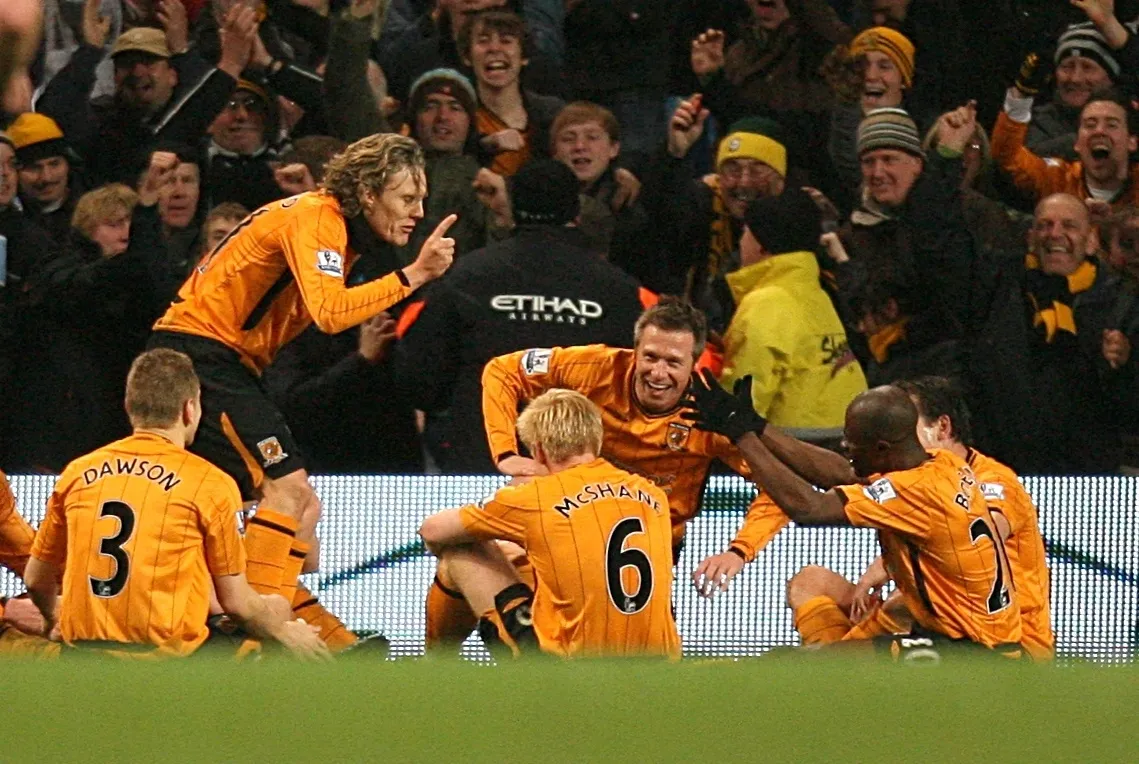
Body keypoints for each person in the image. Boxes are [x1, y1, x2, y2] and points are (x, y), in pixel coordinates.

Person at [148, 133, 456, 649]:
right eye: (407, 199)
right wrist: (416, 274)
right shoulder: (319, 218)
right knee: (288, 493)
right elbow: (330, 313)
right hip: (205, 358)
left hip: (224, 362)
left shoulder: (328, 224)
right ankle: (264, 636)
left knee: (290, 512)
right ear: (368, 192)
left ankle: (331, 643)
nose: (417, 213)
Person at [23, 348, 330, 660]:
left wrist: (54, 618)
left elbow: (35, 579)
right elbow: (238, 603)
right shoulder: (208, 482)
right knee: (271, 614)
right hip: (166, 665)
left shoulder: (77, 474)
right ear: (190, 408)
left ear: (130, 407)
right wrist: (285, 630)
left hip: (82, 661)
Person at [682, 375, 1024, 654]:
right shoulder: (942, 464)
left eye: (852, 442)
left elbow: (809, 508)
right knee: (809, 652)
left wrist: (740, 435)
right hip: (958, 635)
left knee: (816, 670)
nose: (845, 447)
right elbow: (840, 473)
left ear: (881, 450)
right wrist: (756, 426)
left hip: (977, 653)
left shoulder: (914, 491)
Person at [395, 158, 657, 472]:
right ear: (575, 211)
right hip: (584, 482)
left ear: (514, 206)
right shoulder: (619, 290)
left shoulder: (466, 276)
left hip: (483, 471)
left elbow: (420, 381)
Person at [782, 376, 1053, 660]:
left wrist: (885, 580)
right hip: (934, 621)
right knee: (812, 582)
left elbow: (979, 535)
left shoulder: (994, 480)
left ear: (942, 427)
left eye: (906, 426)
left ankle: (831, 665)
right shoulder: (926, 471)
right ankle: (833, 662)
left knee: (888, 617)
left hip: (1008, 641)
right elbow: (842, 475)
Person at [419, 388, 680, 658]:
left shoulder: (536, 497)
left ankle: (435, 667)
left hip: (565, 672)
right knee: (531, 561)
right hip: (656, 668)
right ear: (596, 441)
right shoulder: (652, 494)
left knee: (462, 550)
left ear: (539, 451)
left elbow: (432, 531)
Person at [968, 193, 1139, 474]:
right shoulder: (1000, 291)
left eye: (1069, 226)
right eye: (1045, 225)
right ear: (1030, 238)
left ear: (1091, 242)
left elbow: (1129, 411)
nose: (1055, 234)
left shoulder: (1122, 305)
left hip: (1088, 479)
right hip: (1006, 473)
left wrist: (1125, 364)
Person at [721, 188, 866, 443]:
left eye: (746, 233)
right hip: (845, 440)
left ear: (762, 245)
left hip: (793, 448)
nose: (741, 241)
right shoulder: (817, 292)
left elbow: (744, 401)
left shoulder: (765, 304)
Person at [992, 81, 1139, 212]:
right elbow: (1008, 157)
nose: (1099, 131)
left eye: (1111, 125)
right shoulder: (1057, 178)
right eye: (1090, 125)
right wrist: (1021, 96)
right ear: (1077, 143)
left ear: (1132, 141)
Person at [460, 8, 564, 177]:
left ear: (524, 56)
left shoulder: (553, 113)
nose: (494, 48)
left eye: (506, 41)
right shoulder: (458, 116)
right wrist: (486, 146)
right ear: (467, 56)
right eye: (483, 41)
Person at [5, 112, 84, 246]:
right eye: (33, 168)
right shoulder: (7, 225)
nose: (46, 177)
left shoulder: (98, 213)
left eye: (54, 164)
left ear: (68, 165)